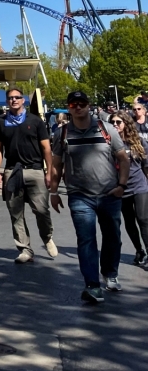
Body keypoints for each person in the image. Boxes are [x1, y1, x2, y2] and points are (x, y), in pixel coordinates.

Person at [50, 90, 129, 304]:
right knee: (86, 240)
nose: (78, 107)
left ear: (88, 105)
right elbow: (56, 165)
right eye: (73, 104)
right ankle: (92, 285)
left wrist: (122, 185)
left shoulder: (106, 129)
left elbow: (123, 159)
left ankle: (110, 273)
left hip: (109, 193)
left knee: (113, 237)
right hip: (79, 195)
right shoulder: (62, 133)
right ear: (69, 108)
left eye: (82, 103)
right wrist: (54, 192)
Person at [0, 87, 57, 263]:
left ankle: (47, 237)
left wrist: (49, 171)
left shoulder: (35, 121)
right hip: (12, 170)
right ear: (7, 101)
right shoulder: (1, 122)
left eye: (17, 97)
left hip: (34, 169)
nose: (13, 100)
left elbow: (46, 148)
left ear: (23, 100)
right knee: (15, 213)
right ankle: (25, 249)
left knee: (41, 210)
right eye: (10, 98)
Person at [112, 111, 148, 268]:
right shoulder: (109, 143)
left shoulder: (138, 141)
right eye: (113, 122)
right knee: (129, 221)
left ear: (126, 124)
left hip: (139, 186)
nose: (115, 125)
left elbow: (146, 166)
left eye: (118, 122)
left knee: (143, 219)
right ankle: (139, 251)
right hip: (121, 189)